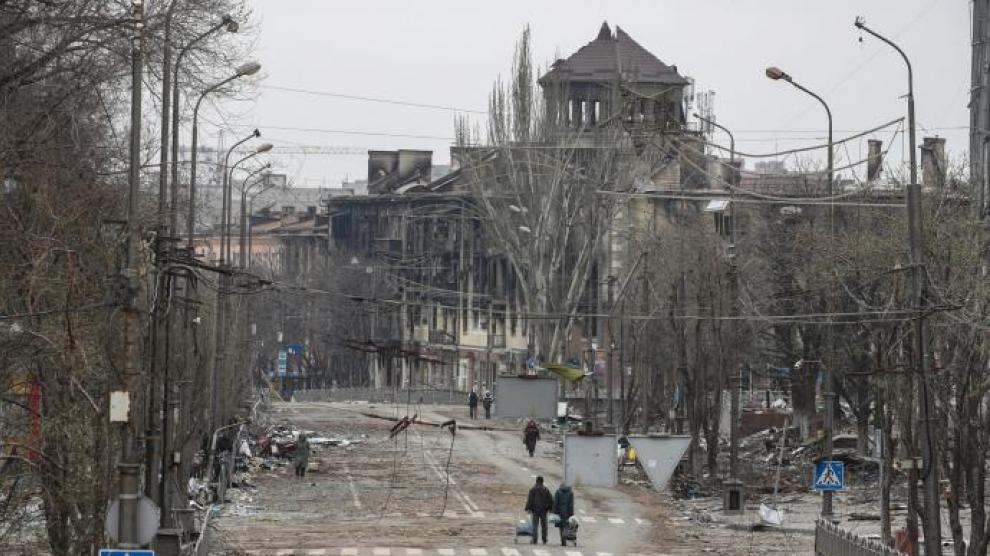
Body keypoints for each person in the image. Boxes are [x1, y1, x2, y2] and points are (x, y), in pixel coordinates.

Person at [524, 476, 553, 545]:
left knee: (535, 525)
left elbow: (530, 500)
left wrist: (528, 508)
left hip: (535, 511)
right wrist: (550, 509)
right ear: (542, 482)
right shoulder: (546, 490)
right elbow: (550, 500)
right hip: (544, 511)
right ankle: (544, 539)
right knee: (544, 526)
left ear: (536, 481)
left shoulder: (533, 489)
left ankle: (535, 539)